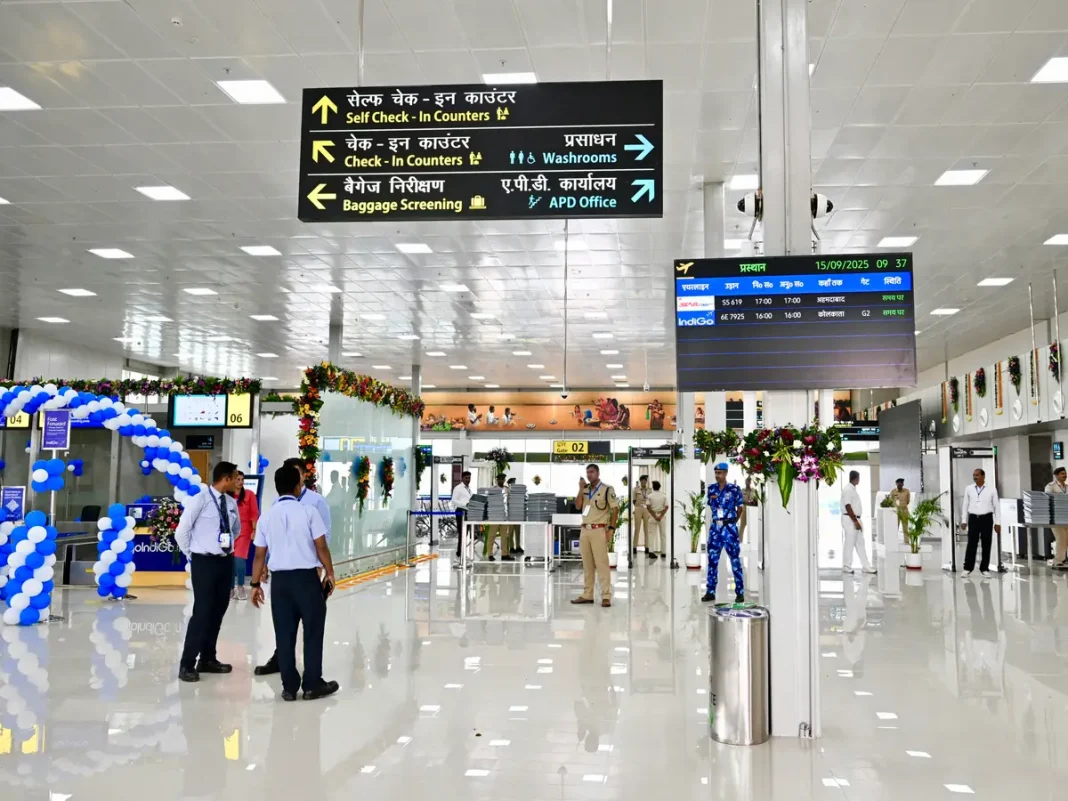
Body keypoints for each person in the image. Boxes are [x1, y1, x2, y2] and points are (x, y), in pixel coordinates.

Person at [250, 464, 339, 701]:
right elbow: (321, 546)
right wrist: (329, 572)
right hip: (307, 581)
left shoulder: (266, 517)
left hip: (279, 584)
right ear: (298, 486)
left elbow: (260, 555)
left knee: (284, 634)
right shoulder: (309, 512)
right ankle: (312, 684)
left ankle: (289, 687)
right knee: (312, 632)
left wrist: (255, 585)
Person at [175, 461, 241, 682]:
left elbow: (236, 530)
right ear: (225, 478)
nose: (237, 481)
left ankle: (207, 658)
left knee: (218, 611)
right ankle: (187, 663)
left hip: (225, 562)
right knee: (202, 613)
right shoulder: (200, 500)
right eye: (235, 477)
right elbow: (182, 531)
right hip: (203, 562)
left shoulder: (231, 503)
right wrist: (193, 555)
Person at [571, 464, 618, 607]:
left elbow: (615, 509)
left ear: (598, 473)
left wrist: (611, 529)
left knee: (602, 564)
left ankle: (606, 595)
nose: (589, 475)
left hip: (599, 530)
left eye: (591, 472)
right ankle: (588, 594)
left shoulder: (607, 489)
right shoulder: (585, 490)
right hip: (585, 530)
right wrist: (580, 488)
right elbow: (578, 506)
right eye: (587, 473)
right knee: (587, 564)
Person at [702, 463, 746, 603]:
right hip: (715, 529)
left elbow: (740, 509)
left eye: (720, 473)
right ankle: (710, 591)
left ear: (726, 473)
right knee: (712, 561)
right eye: (716, 473)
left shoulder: (734, 489)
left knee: (734, 560)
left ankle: (739, 592)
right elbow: (710, 505)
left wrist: (732, 522)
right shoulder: (711, 489)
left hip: (729, 529)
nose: (717, 475)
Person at [960, 468, 1001, 578]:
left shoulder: (992, 489)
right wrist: (964, 520)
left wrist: (998, 522)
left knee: (986, 543)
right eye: (974, 475)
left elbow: (997, 506)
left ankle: (984, 568)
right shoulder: (969, 488)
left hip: (987, 518)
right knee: (971, 543)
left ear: (983, 476)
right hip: (973, 518)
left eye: (977, 475)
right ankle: (967, 568)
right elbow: (965, 505)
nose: (975, 477)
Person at [231, 471, 260, 600]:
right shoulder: (227, 495)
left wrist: (254, 530)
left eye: (242, 479)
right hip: (228, 532)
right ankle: (230, 588)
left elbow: (254, 513)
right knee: (229, 560)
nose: (240, 482)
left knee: (239, 559)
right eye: (237, 479)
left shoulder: (249, 495)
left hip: (244, 532)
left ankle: (241, 586)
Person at [841, 470, 876, 575]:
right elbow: (848, 506)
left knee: (861, 543)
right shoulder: (847, 490)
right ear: (856, 478)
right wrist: (855, 521)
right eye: (858, 478)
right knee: (849, 543)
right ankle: (846, 566)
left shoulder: (852, 489)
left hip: (855, 519)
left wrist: (857, 521)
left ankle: (866, 566)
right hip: (850, 519)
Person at [1045, 467, 1068, 570]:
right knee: (1061, 538)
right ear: (1056, 475)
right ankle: (1058, 561)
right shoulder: (1050, 487)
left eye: (1065, 473)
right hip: (1056, 517)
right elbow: (1048, 500)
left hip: (1066, 516)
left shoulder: (1067, 487)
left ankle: (1063, 559)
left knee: (1066, 539)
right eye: (1062, 474)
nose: (1064, 475)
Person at [452, 470, 473, 564]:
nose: (468, 480)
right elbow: (454, 501)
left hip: (467, 513)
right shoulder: (458, 488)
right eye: (466, 478)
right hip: (461, 512)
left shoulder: (468, 488)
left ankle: (462, 554)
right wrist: (465, 504)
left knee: (465, 534)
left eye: (469, 478)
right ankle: (458, 555)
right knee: (462, 534)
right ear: (462, 478)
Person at [632, 475, 653, 558]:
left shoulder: (650, 490)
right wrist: (639, 505)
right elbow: (634, 500)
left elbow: (650, 500)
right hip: (638, 508)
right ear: (640, 481)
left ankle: (647, 547)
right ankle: (634, 547)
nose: (644, 482)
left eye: (645, 480)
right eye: (642, 480)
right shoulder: (636, 489)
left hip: (646, 509)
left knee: (646, 529)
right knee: (637, 528)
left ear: (646, 481)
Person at [646, 480, 668, 558]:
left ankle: (651, 552)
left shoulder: (650, 496)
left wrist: (655, 516)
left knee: (651, 534)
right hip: (661, 517)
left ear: (653, 487)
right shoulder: (664, 496)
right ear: (659, 487)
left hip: (652, 516)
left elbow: (648, 507)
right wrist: (660, 516)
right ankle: (664, 552)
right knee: (663, 535)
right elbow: (666, 507)